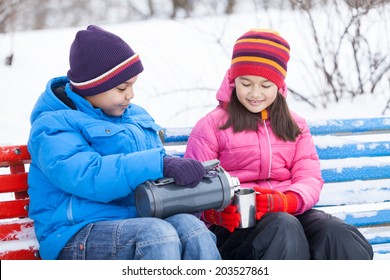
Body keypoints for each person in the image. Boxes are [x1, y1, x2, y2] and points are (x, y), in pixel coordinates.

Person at [27, 25, 221, 260]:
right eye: (122, 88)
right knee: (156, 235)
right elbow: (89, 175)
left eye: (132, 86)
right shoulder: (52, 126)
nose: (130, 95)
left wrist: (184, 184)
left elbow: (156, 168)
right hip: (74, 232)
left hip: (136, 220)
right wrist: (160, 164)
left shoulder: (134, 116)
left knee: (192, 229)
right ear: (92, 86)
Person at [184, 28, 373, 260]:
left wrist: (288, 201)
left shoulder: (295, 125)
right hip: (235, 229)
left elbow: (309, 177)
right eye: (246, 83)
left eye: (265, 85)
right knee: (284, 228)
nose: (255, 93)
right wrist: (214, 213)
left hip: (288, 211)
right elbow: (193, 190)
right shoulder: (211, 126)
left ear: (279, 85)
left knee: (339, 234)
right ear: (233, 81)